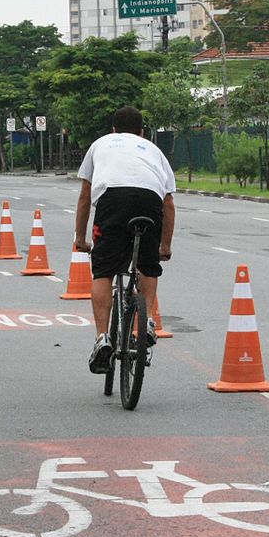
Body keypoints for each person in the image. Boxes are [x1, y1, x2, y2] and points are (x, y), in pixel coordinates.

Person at [74, 106, 176, 374]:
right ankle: (145, 324)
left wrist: (80, 239)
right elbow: (169, 204)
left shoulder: (100, 144)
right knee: (148, 265)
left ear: (113, 130)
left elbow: (85, 196)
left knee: (104, 271)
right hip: (149, 201)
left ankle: (102, 339)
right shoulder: (154, 150)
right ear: (142, 132)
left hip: (112, 202)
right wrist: (164, 246)